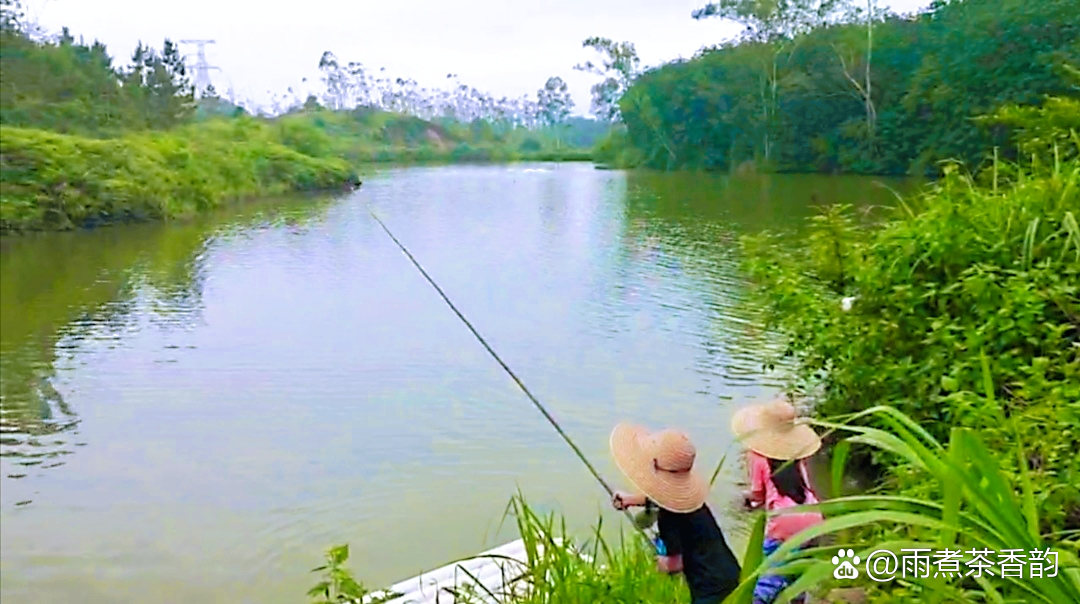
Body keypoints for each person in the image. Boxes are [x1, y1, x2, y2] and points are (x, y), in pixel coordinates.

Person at [609, 423, 741, 604]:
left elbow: (675, 563)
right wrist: (631, 500)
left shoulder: (668, 518)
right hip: (730, 572)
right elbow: (662, 498)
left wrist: (660, 564)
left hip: (709, 589)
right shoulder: (691, 504)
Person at [731, 399, 825, 604]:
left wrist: (748, 501)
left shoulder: (757, 456)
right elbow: (802, 486)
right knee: (797, 575)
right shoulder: (798, 455)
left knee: (768, 579)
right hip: (813, 515)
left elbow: (758, 493)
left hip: (785, 521)